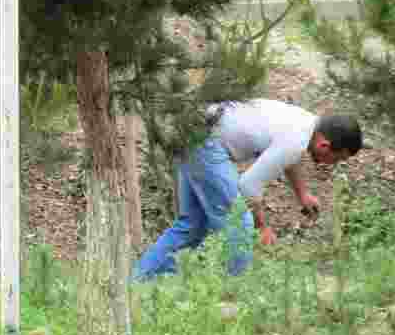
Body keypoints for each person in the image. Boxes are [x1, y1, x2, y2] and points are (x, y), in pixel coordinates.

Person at [133, 99, 362, 280]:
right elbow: (248, 186)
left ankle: (137, 283)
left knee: (193, 223)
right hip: (207, 141)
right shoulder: (297, 140)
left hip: (191, 128)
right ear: (325, 145)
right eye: (337, 159)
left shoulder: (306, 123)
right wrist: (262, 226)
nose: (330, 164)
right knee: (240, 223)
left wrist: (302, 194)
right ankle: (234, 294)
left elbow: (288, 159)